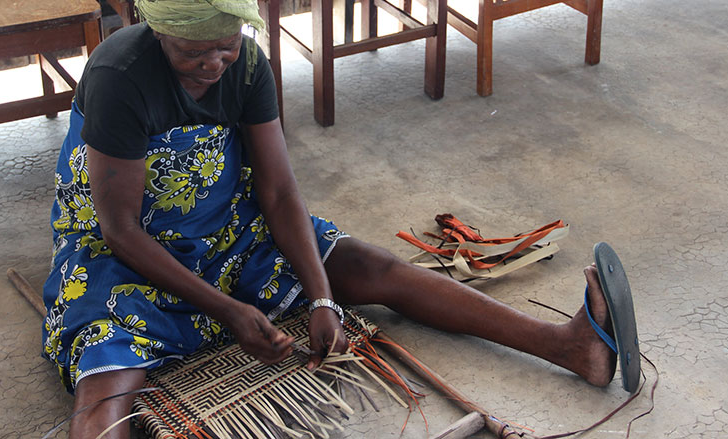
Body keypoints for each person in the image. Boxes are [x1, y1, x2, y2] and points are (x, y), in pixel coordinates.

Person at [42, 1, 629, 437]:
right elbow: (120, 229)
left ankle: (569, 347)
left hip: (227, 229)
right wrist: (228, 310)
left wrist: (321, 299)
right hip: (126, 251)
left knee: (367, 265)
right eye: (192, 52)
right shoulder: (119, 75)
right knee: (107, 360)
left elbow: (276, 191)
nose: (213, 63)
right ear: (160, 31)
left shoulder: (246, 65)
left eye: (225, 44)